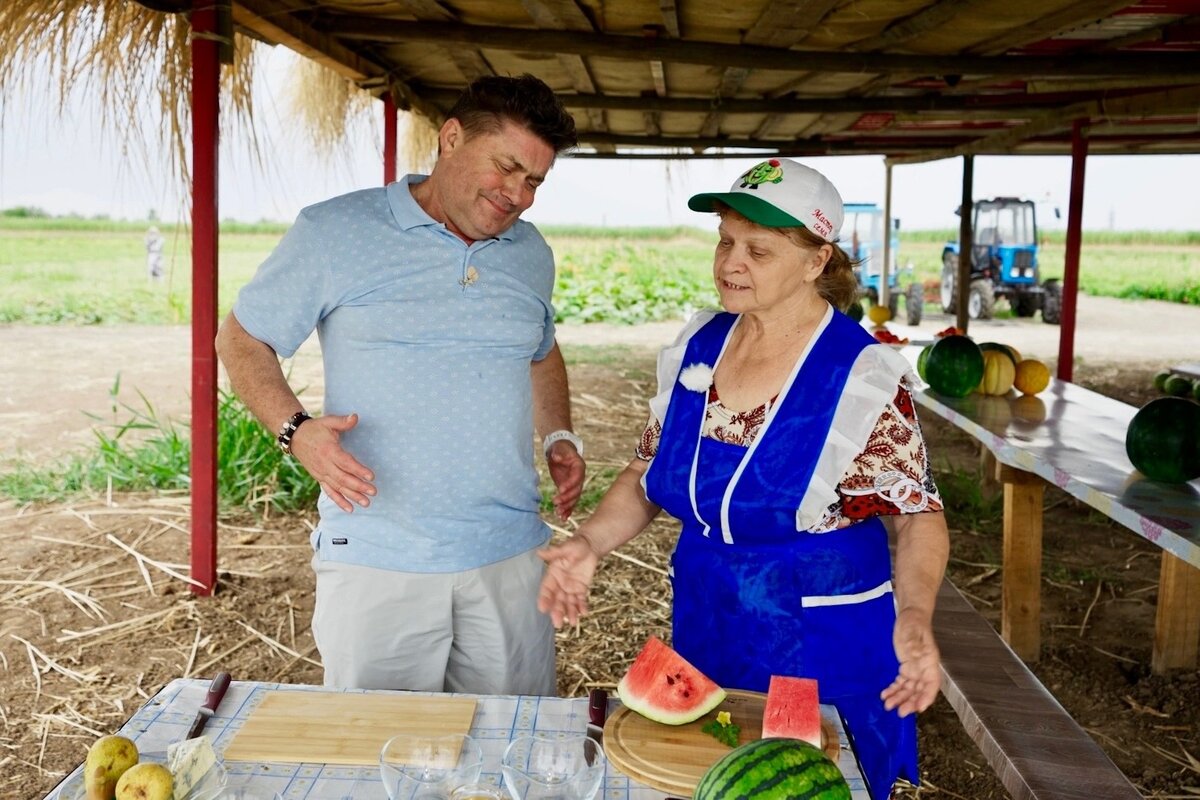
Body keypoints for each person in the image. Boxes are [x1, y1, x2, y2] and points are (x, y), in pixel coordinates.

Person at [537, 158, 949, 799]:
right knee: (715, 774)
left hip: (820, 633)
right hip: (711, 614)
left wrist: (917, 615)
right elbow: (649, 471)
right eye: (726, 241)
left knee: (806, 784)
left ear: (816, 261)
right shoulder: (698, 344)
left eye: (758, 250)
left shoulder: (860, 376)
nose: (731, 262)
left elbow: (917, 513)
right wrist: (588, 545)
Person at [215, 74, 585, 696]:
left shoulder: (529, 252)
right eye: (507, 168)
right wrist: (296, 432)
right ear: (450, 138)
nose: (519, 195)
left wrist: (559, 434)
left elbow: (541, 350)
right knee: (372, 759)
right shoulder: (336, 231)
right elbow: (242, 339)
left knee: (508, 761)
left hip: (510, 554)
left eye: (535, 182)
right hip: (376, 555)